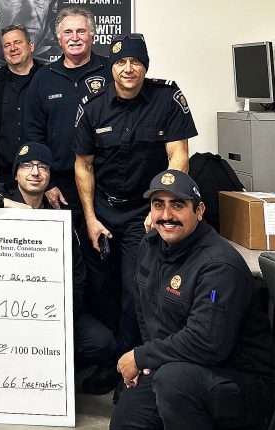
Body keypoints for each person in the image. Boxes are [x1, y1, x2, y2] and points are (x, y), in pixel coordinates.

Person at [110, 170, 275, 430]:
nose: (166, 215)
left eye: (178, 205)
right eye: (158, 205)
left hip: (241, 380)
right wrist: (152, 360)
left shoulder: (218, 266)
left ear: (199, 211)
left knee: (174, 382)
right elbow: (144, 310)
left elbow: (208, 343)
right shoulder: (150, 245)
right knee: (126, 429)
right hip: (183, 366)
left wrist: (142, 356)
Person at [74, 34, 197, 391]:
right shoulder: (93, 105)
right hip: (101, 209)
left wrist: (161, 208)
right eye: (121, 63)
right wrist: (91, 218)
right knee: (99, 288)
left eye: (136, 62)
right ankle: (107, 360)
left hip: (143, 211)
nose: (129, 69)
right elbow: (83, 165)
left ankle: (129, 371)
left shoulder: (167, 99)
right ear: (111, 66)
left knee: (135, 291)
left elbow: (179, 157)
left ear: (145, 65)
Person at [0, 143, 117, 391]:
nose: (35, 172)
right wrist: (9, 205)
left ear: (50, 176)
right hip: (8, 310)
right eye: (27, 166)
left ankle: (62, 366)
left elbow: (77, 275)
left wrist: (61, 316)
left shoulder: (61, 216)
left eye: (42, 167)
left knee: (103, 343)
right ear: (16, 174)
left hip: (56, 310)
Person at [24, 6, 110, 212]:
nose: (75, 38)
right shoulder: (43, 78)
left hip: (106, 182)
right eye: (68, 32)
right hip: (61, 186)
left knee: (104, 242)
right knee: (68, 243)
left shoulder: (111, 71)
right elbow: (33, 134)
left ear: (92, 35)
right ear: (59, 38)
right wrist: (48, 183)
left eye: (81, 31)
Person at [0, 24, 45, 190]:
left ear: (31, 46)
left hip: (43, 176)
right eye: (7, 45)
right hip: (4, 178)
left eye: (18, 42)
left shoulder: (50, 79)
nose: (13, 48)